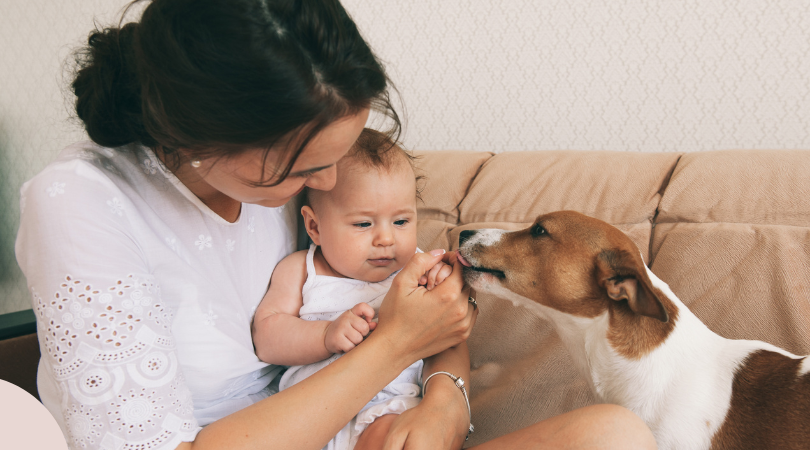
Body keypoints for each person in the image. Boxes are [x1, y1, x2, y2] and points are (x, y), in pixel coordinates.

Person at [15, 0, 656, 449]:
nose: (325, 187)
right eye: (304, 169)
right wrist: (394, 345)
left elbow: (424, 318)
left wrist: (443, 403)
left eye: (336, 158)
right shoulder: (81, 202)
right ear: (198, 139)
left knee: (615, 436)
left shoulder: (290, 186)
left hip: (360, 426)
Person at [252, 129, 457, 450]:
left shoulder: (417, 267)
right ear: (314, 227)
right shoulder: (301, 270)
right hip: (310, 416)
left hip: (391, 406)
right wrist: (324, 335)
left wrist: (441, 278)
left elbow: (448, 324)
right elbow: (266, 338)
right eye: (363, 224)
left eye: (401, 222)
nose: (386, 239)